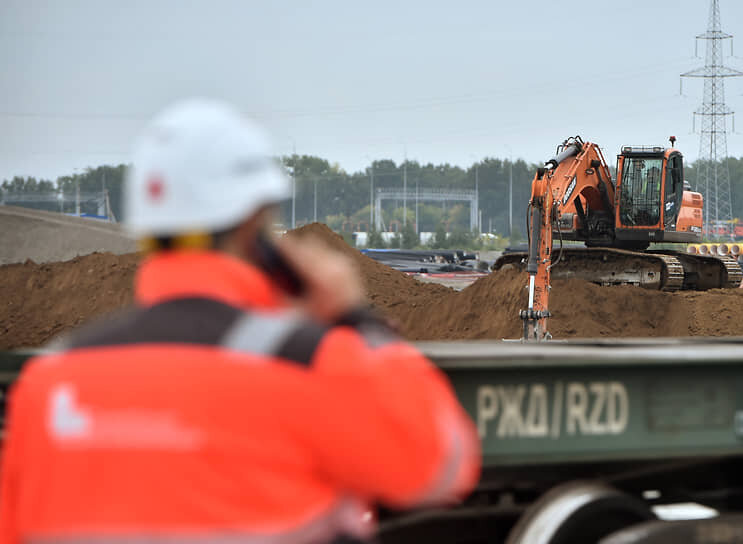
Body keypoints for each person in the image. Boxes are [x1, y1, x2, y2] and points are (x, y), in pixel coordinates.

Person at [0, 99, 480, 543]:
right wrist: (355, 319)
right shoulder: (306, 365)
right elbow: (442, 464)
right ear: (254, 222)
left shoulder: (46, 383)